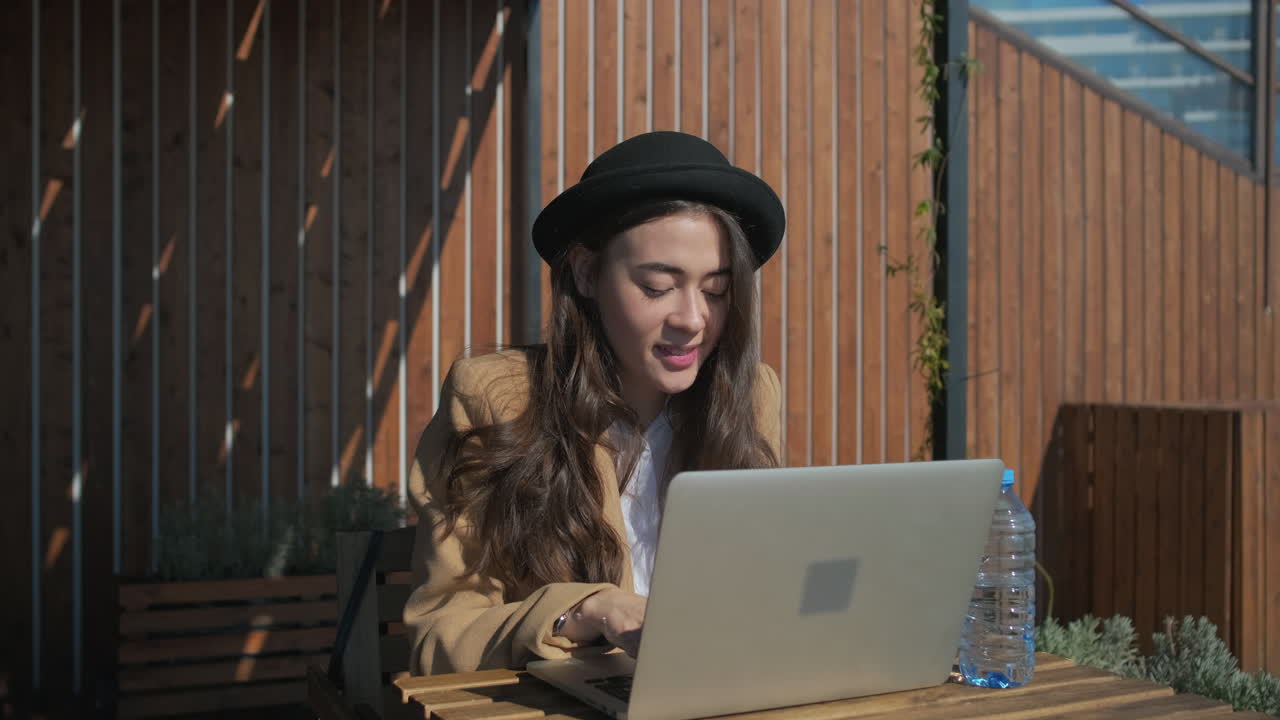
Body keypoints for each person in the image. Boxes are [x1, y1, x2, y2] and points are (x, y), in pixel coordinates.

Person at [403, 131, 787, 675]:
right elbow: (439, 638)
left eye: (716, 290)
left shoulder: (751, 397)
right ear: (587, 273)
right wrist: (583, 611)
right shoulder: (497, 398)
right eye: (658, 286)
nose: (692, 318)